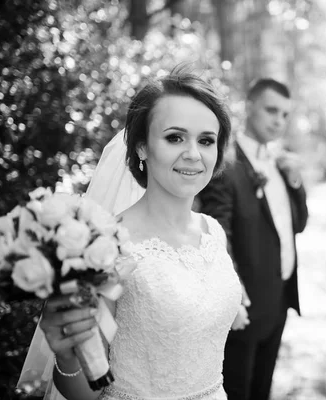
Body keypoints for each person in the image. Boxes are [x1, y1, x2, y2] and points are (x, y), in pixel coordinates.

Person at [18, 65, 242, 400]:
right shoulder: (108, 246)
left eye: (206, 140)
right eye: (174, 137)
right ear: (141, 148)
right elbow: (84, 391)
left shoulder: (212, 232)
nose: (193, 154)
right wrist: (67, 354)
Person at [199, 78, 308, 400]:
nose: (279, 120)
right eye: (271, 110)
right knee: (237, 391)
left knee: (263, 389)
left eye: (286, 114)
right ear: (249, 108)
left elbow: (298, 224)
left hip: (280, 301)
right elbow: (219, 234)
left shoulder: (280, 162)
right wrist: (235, 296)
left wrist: (296, 181)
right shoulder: (226, 166)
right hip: (243, 309)